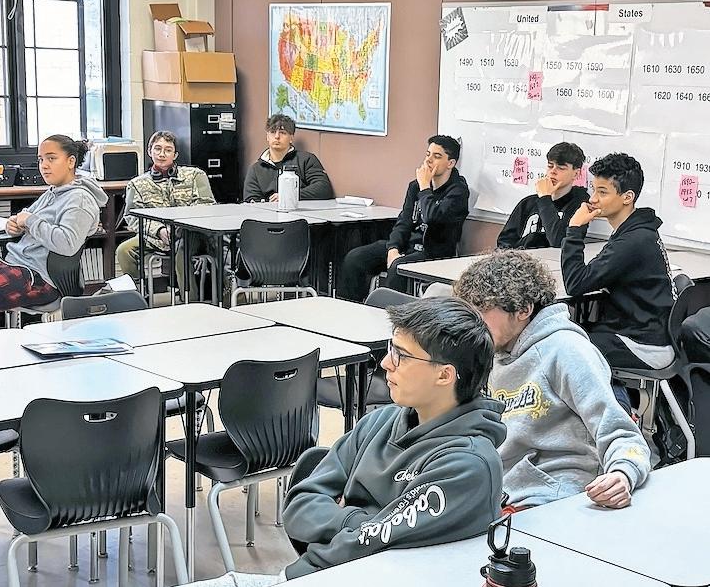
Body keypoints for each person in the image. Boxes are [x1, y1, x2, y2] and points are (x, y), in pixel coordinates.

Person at [282, 297, 506, 578]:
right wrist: (361, 522)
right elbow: (298, 506)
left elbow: (364, 549)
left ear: (444, 375)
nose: (386, 363)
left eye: (402, 355)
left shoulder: (468, 465)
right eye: (391, 348)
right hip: (322, 574)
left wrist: (341, 521)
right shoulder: (378, 422)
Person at [453, 250, 650, 511]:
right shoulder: (493, 351)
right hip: (501, 488)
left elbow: (620, 432)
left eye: (482, 311)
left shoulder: (567, 350)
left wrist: (622, 474)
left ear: (523, 309)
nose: (473, 324)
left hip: (551, 498)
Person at [0, 135, 106, 326]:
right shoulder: (54, 191)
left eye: (51, 158)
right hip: (16, 265)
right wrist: (14, 225)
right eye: (41, 159)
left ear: (71, 161)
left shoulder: (79, 200)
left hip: (40, 279)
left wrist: (29, 221)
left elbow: (67, 244)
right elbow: (25, 216)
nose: (44, 165)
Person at [561, 152, 675, 410]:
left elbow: (575, 283)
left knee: (563, 348)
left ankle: (616, 413)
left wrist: (575, 229)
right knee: (572, 335)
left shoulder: (632, 240)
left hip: (646, 344)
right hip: (646, 331)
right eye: (593, 189)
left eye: (602, 192)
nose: (592, 199)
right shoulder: (637, 230)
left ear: (627, 197)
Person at [336, 135, 469, 302]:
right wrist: (393, 248)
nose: (429, 160)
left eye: (437, 156)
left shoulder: (458, 192)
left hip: (434, 253)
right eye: (428, 154)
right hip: (408, 246)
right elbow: (404, 222)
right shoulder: (415, 186)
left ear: (451, 163)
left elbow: (432, 217)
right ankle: (350, 306)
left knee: (398, 268)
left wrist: (425, 188)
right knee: (355, 258)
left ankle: (388, 314)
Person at [116, 130, 216, 288]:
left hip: (190, 235)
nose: (162, 154)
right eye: (157, 149)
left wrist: (182, 226)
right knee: (124, 251)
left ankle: (189, 299)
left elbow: (207, 205)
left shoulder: (195, 176)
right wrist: (159, 230)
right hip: (155, 237)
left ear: (175, 155)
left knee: (181, 253)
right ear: (149, 151)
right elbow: (132, 216)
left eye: (168, 150)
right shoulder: (136, 184)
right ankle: (138, 295)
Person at [497, 142, 590, 249]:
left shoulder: (580, 205)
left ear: (576, 173)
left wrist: (545, 198)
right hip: (520, 257)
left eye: (561, 168)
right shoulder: (528, 203)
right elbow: (504, 242)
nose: (553, 172)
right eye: (550, 166)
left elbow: (559, 241)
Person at [243, 114, 332, 202]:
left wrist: (290, 195)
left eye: (282, 133)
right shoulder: (256, 169)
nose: (277, 136)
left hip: (300, 209)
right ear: (267, 137)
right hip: (268, 210)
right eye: (273, 132)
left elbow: (323, 188)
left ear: (291, 138)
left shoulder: (306, 160)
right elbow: (250, 199)